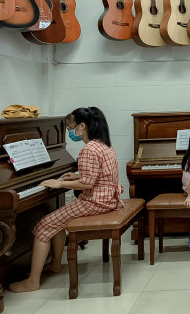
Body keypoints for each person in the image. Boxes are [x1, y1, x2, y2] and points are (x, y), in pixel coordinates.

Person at [10, 107, 123, 293]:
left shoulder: (89, 149)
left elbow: (87, 183)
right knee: (57, 221)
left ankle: (32, 281)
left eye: (71, 127)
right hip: (108, 199)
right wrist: (74, 177)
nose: (70, 131)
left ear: (82, 126)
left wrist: (60, 183)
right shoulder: (104, 145)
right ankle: (55, 264)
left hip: (95, 203)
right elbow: (97, 175)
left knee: (43, 226)